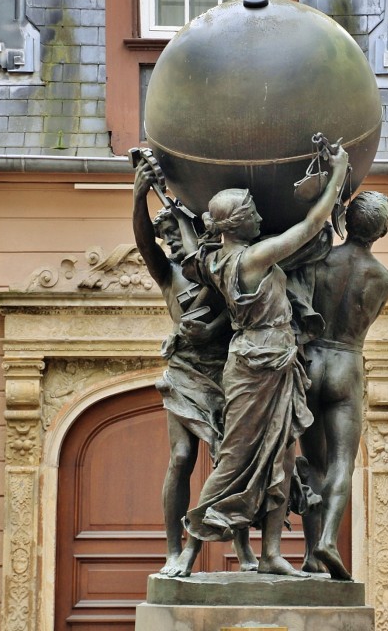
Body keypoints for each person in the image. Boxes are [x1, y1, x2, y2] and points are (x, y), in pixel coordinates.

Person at [183, 144, 348, 576]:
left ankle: (273, 554)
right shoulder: (252, 257)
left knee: (282, 456)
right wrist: (340, 171)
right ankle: (190, 547)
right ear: (238, 224)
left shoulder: (215, 258)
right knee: (236, 457)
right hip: (259, 363)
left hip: (269, 359)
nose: (261, 217)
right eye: (254, 212)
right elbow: (312, 225)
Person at [131, 165, 256, 576]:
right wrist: (139, 196)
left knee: (230, 460)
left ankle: (242, 546)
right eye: (165, 237)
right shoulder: (169, 277)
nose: (169, 241)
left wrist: (213, 328)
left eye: (175, 233)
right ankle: (173, 548)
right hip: (184, 373)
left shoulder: (219, 268)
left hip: (226, 372)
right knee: (182, 456)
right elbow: (143, 241)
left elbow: (238, 313)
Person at [297, 191, 388, 580]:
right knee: (342, 461)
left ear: (347, 221)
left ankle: (309, 554)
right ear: (382, 231)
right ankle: (327, 542)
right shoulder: (384, 279)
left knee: (313, 463)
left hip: (310, 362)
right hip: (347, 362)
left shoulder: (318, 263)